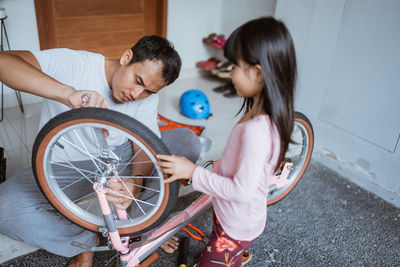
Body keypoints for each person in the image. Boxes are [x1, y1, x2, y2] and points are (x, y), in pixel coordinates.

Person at [0, 35, 199, 266]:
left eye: (148, 92)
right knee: (4, 208)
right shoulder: (76, 63)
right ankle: (84, 241)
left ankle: (139, 229)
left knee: (186, 142)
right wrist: (68, 94)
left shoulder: (143, 97)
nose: (136, 95)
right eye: (138, 81)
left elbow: (144, 146)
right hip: (64, 166)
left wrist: (134, 184)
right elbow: (4, 62)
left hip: (118, 156)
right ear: (126, 57)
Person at [157, 17, 297, 266]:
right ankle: (233, 255)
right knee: (221, 242)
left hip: (236, 227)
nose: (230, 73)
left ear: (258, 73)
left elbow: (241, 191)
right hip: (230, 215)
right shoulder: (259, 113)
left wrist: (193, 172)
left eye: (234, 66)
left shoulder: (258, 130)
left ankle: (233, 255)